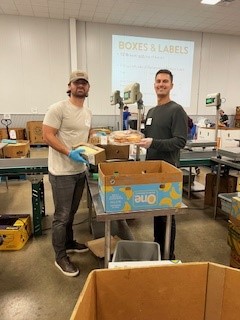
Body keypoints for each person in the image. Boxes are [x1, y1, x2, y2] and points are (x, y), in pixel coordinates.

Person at [42, 70, 92, 277]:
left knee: (71, 213)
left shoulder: (88, 112)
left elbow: (86, 134)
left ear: (88, 87)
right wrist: (69, 152)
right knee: (61, 216)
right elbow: (47, 135)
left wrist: (91, 146)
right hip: (62, 171)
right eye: (76, 83)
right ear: (69, 86)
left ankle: (69, 242)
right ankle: (60, 256)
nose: (80, 86)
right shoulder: (58, 108)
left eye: (84, 83)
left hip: (79, 170)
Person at [138, 69, 187, 260]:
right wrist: (139, 139)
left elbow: (180, 141)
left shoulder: (177, 110)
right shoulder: (151, 111)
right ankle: (158, 249)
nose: (161, 84)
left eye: (165, 81)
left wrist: (153, 143)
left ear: (171, 85)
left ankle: (168, 254)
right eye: (158, 81)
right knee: (156, 212)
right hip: (152, 169)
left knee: (167, 214)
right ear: (154, 84)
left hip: (168, 171)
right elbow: (149, 136)